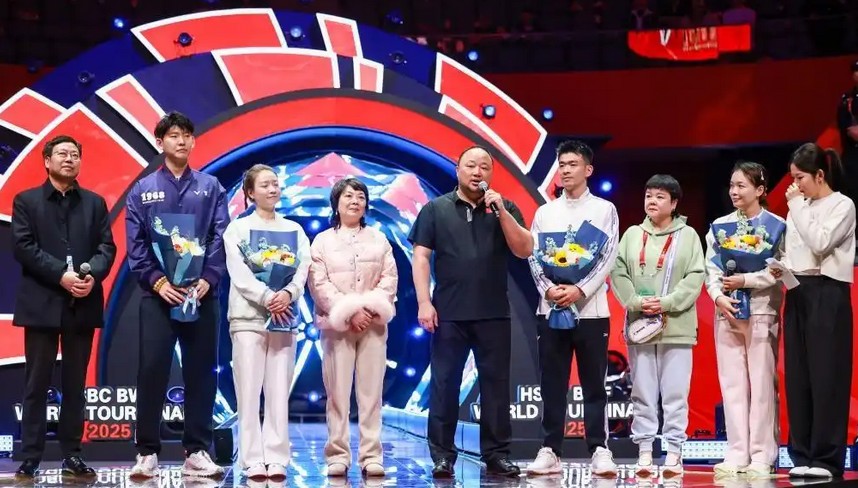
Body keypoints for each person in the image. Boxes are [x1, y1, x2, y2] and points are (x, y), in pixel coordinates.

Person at [409, 146, 533, 478]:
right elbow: (420, 257)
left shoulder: (503, 207)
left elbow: (524, 249)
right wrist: (424, 302)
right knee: (444, 384)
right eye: (470, 166)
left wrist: (502, 213)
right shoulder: (436, 209)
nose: (478, 172)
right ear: (458, 170)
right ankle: (442, 455)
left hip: (493, 311)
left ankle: (496, 453)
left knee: (496, 385)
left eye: (484, 167)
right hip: (449, 312)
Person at [125, 112, 229, 478]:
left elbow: (220, 237)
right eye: (173, 135)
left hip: (201, 296)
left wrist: (209, 278)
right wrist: (157, 281)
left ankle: (197, 450)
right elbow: (136, 246)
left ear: (193, 141)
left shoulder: (211, 187)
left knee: (201, 372)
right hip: (158, 296)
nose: (181, 141)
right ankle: (147, 452)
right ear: (160, 142)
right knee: (151, 369)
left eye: (187, 135)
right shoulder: (142, 190)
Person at [11, 135, 116, 478]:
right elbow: (24, 247)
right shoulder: (26, 201)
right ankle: (30, 457)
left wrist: (91, 276)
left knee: (75, 384)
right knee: (36, 383)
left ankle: (72, 453)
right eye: (62, 154)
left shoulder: (95, 203)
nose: (69, 159)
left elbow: (107, 247)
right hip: (43, 301)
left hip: (82, 303)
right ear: (47, 161)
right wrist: (61, 275)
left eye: (75, 154)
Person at [525, 141, 619, 476]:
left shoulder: (604, 209)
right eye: (562, 164)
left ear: (588, 169)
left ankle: (599, 449)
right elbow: (533, 256)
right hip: (550, 309)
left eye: (573, 164)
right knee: (552, 383)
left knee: (594, 383)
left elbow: (607, 256)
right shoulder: (544, 212)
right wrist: (550, 289)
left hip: (591, 311)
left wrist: (579, 289)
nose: (565, 169)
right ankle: (550, 449)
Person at [610, 174, 705, 476]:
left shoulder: (688, 235)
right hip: (640, 324)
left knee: (675, 392)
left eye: (660, 196)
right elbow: (618, 272)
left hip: (676, 326)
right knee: (642, 391)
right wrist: (636, 302)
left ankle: (674, 452)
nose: (652, 201)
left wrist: (666, 303)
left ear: (674, 203)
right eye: (649, 195)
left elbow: (695, 277)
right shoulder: (632, 234)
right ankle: (645, 451)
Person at [772, 143, 856, 479]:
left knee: (827, 377)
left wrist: (795, 206)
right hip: (798, 291)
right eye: (792, 179)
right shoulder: (798, 208)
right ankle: (802, 453)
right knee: (799, 377)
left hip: (828, 293)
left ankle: (826, 458)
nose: (795, 186)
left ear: (819, 175)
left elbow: (820, 242)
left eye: (800, 178)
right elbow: (798, 249)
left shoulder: (842, 205)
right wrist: (782, 268)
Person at [224, 164, 310, 480]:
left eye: (275, 184)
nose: (272, 189)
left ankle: (277, 457)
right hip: (248, 317)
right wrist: (265, 297)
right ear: (249, 193)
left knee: (278, 391)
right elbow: (239, 271)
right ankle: (252, 458)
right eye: (264, 185)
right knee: (248, 391)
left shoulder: (295, 230)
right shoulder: (237, 229)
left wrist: (288, 293)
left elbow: (304, 266)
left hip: (285, 317)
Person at [308, 177, 398, 478]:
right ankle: (337, 454)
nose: (355, 201)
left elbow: (389, 279)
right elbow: (318, 284)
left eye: (360, 196)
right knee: (337, 393)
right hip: (337, 327)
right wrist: (348, 312)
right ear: (336, 203)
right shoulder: (322, 241)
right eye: (348, 196)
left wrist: (368, 308)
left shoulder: (379, 239)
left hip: (373, 325)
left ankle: (372, 455)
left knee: (371, 394)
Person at [704, 162, 784, 476]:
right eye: (732, 185)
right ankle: (737, 452)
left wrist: (747, 282)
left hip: (763, 309)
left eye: (742, 186)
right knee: (732, 384)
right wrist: (718, 296)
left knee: (763, 383)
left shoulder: (777, 226)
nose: (734, 191)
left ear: (761, 190)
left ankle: (763, 455)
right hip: (728, 310)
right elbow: (710, 267)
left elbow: (779, 270)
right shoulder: (718, 226)